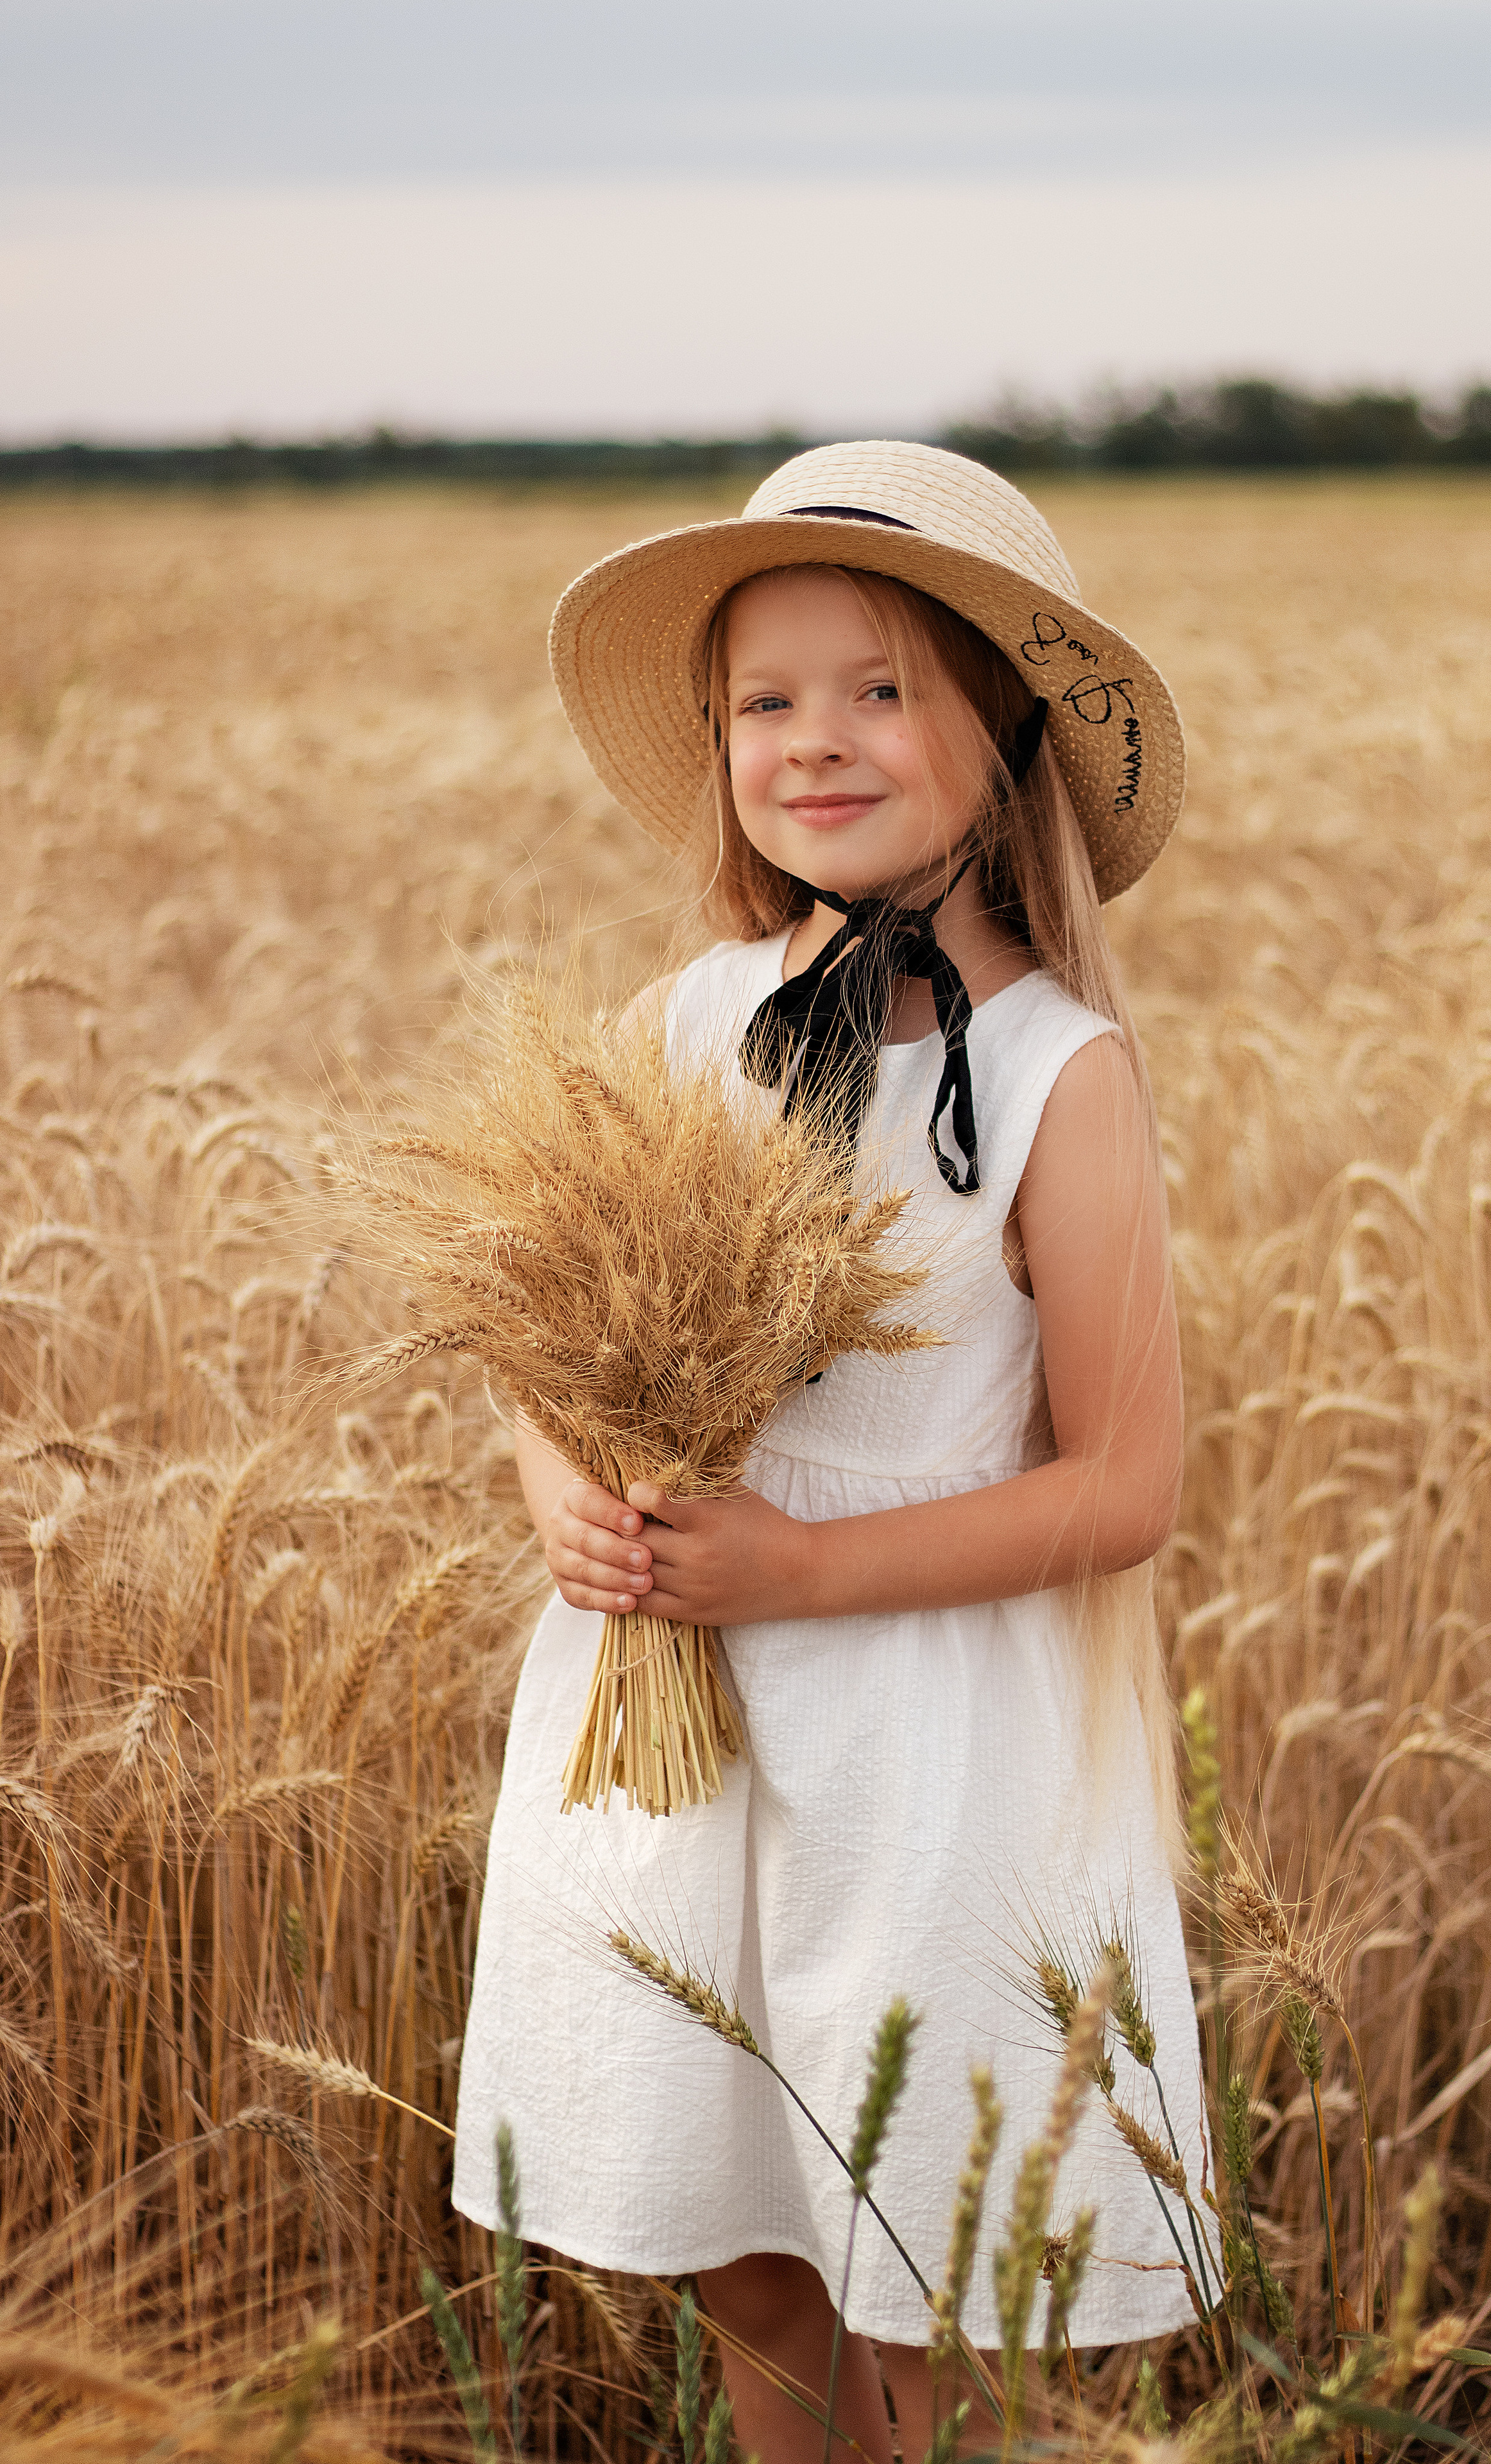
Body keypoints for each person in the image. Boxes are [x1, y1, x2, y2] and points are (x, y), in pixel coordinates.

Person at [453, 440, 1209, 2460]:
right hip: (688, 1723)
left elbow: (1126, 1484)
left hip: (925, 1749)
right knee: (748, 2252)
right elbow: (542, 1332)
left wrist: (797, 1569)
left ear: (1003, 734)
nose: (814, 740)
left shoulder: (1054, 1072)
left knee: (931, 2257)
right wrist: (569, 1500)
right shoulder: (683, 1020)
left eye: (880, 689)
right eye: (764, 701)